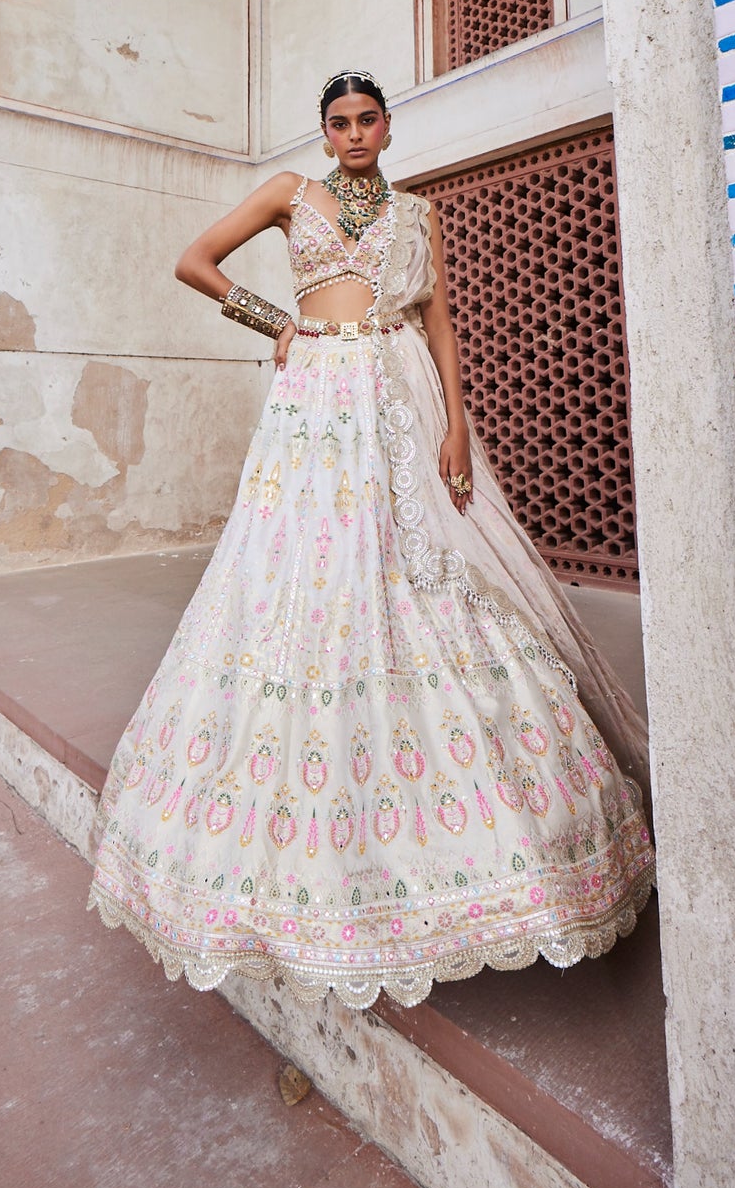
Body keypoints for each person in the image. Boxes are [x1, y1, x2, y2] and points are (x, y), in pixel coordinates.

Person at [88, 71, 653, 1008]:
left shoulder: (418, 213)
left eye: (367, 119)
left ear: (387, 128)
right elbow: (196, 260)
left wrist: (458, 425)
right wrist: (278, 322)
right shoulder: (289, 194)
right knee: (301, 574)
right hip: (312, 401)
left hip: (396, 396)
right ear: (324, 133)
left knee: (420, 569)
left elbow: (437, 321)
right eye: (339, 122)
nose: (353, 132)